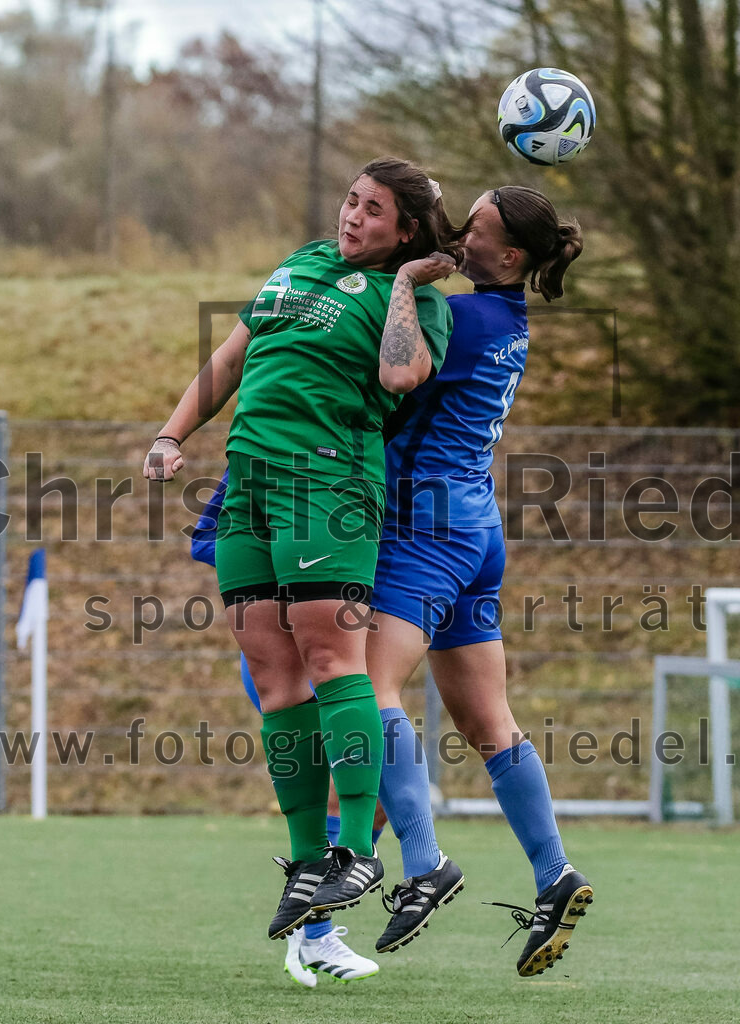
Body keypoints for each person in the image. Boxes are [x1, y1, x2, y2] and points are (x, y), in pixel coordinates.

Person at [143, 157, 457, 947]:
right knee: (272, 672)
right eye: (351, 201)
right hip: (248, 480)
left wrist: (401, 283)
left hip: (329, 485)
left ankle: (356, 850)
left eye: (373, 211)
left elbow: (396, 375)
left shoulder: (419, 302)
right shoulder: (301, 263)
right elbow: (229, 359)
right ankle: (306, 857)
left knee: (331, 661)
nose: (352, 217)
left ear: (407, 232)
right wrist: (171, 435)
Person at [366, 186, 595, 977]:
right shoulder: (501, 319)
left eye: (478, 229)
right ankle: (554, 875)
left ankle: (423, 863)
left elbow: (390, 369)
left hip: (424, 529)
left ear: (511, 258)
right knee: (489, 724)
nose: (461, 235)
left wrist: (396, 281)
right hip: (474, 529)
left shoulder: (461, 320)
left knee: (367, 694)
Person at [190, 472, 385, 985]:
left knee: (376, 791)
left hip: (330, 644)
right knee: (352, 792)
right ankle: (315, 930)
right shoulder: (265, 472)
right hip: (297, 658)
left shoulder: (348, 463)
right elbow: (210, 543)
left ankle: (316, 922)